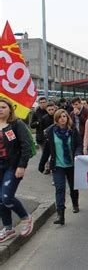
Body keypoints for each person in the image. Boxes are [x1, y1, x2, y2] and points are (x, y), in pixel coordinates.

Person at [0, 98, 34, 243]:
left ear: (10, 109)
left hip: (12, 166)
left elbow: (26, 146)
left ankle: (26, 218)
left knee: (7, 197)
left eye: (3, 107)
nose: (0, 109)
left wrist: (22, 166)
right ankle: (8, 228)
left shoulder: (16, 124)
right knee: (0, 200)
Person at [43, 110, 82, 225]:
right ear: (56, 119)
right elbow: (47, 148)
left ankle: (75, 203)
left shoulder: (73, 130)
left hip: (71, 164)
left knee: (73, 187)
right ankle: (60, 214)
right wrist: (42, 164)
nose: (62, 119)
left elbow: (79, 144)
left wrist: (77, 154)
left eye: (64, 116)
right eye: (60, 117)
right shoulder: (51, 131)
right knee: (59, 188)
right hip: (57, 165)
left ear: (67, 118)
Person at [37, 102, 57, 174]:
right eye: (49, 110)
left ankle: (54, 170)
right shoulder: (44, 118)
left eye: (52, 109)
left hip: (57, 139)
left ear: (55, 108)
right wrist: (42, 139)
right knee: (48, 156)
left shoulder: (58, 116)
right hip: (48, 140)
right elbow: (41, 130)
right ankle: (49, 168)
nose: (51, 111)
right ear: (46, 110)